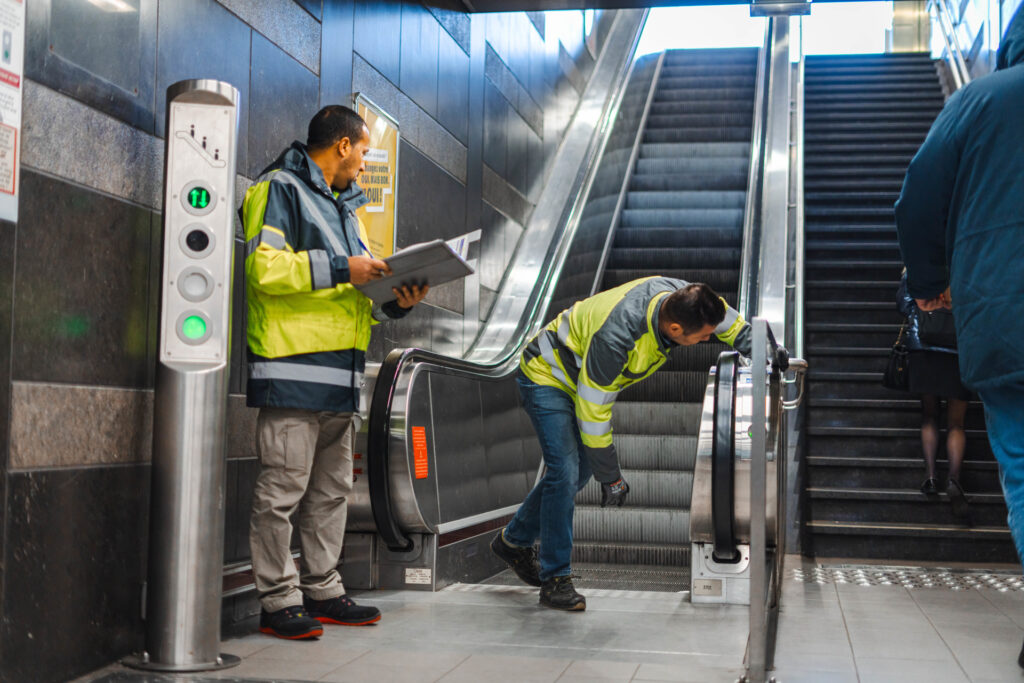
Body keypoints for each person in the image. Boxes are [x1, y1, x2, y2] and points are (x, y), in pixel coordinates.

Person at [242, 105, 428, 639]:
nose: (365, 163)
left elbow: (360, 295)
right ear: (342, 145)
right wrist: (346, 267)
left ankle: (322, 588)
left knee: (328, 496)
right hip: (293, 372)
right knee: (280, 493)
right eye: (364, 151)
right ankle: (278, 599)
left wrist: (399, 300)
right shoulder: (278, 190)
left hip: (341, 380)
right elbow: (264, 267)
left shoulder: (348, 210)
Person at [491, 277, 751, 610]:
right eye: (703, 336)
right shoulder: (616, 340)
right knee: (565, 471)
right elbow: (593, 412)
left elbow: (729, 323)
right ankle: (555, 578)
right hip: (549, 374)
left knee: (575, 472)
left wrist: (769, 351)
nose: (710, 339)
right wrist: (611, 475)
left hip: (581, 376)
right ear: (674, 328)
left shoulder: (688, 297)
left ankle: (512, 542)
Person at [894, 6, 1024, 669]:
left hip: (1004, 323)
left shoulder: (978, 101)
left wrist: (928, 283)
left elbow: (916, 194)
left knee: (1023, 471)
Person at [896, 272, 970, 519]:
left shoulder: (916, 267)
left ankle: (930, 475)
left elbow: (903, 304)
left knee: (929, 415)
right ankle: (954, 479)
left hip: (924, 347)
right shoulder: (963, 266)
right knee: (956, 423)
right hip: (958, 348)